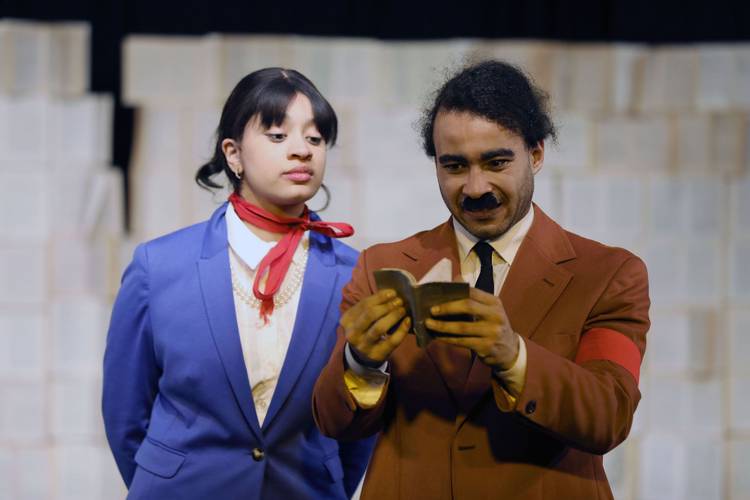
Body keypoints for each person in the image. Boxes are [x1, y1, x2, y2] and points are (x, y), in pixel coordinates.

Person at [312, 60, 650, 499]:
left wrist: (514, 356)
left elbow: (609, 416)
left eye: (496, 162)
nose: (475, 187)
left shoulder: (608, 274)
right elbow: (333, 422)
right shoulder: (381, 268)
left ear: (536, 154)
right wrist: (361, 361)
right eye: (455, 166)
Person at [103, 67, 374, 499]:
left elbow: (359, 420)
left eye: (315, 138)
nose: (302, 150)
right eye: (278, 135)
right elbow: (125, 413)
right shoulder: (160, 266)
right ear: (233, 154)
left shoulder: (353, 274)